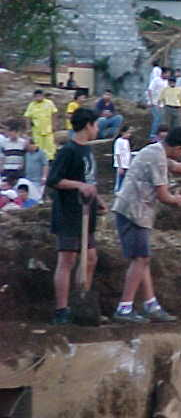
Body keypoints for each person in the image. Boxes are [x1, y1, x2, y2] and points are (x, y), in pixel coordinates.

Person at [112, 126, 181, 323]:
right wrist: (177, 199)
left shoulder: (156, 151)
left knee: (142, 258)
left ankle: (151, 304)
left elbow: (177, 167)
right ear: (177, 147)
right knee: (140, 259)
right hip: (134, 212)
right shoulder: (156, 157)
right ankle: (124, 307)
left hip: (136, 211)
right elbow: (163, 195)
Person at [47, 108, 107, 325]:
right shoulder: (68, 151)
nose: (98, 129)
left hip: (87, 212)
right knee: (67, 259)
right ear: (88, 125)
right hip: (69, 213)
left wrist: (98, 200)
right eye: (96, 125)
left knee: (91, 258)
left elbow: (89, 180)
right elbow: (53, 180)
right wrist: (78, 186)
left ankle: (83, 302)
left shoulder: (87, 151)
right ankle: (61, 309)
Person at [24, 90, 58, 160]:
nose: (39, 97)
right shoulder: (31, 105)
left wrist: (54, 125)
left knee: (50, 147)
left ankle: (50, 162)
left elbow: (54, 114)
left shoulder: (49, 103)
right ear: (34, 97)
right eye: (37, 96)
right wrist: (28, 129)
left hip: (48, 130)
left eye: (40, 95)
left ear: (43, 96)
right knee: (38, 148)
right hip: (37, 131)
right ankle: (40, 161)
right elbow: (27, 117)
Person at [24, 138, 49, 202]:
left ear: (32, 145)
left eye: (27, 146)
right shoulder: (27, 154)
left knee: (37, 197)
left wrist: (44, 177)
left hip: (37, 180)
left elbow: (45, 165)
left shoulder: (41, 153)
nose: (25, 147)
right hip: (28, 179)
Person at [113, 125, 132, 193]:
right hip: (121, 165)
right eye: (127, 133)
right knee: (119, 180)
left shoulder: (127, 141)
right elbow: (117, 154)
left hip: (126, 164)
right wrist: (120, 166)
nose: (129, 135)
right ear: (122, 132)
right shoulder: (118, 141)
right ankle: (117, 191)